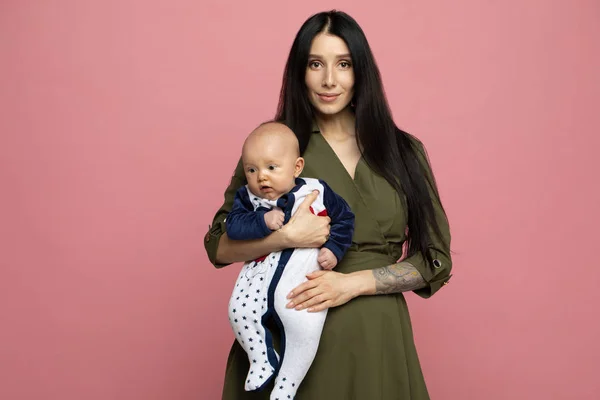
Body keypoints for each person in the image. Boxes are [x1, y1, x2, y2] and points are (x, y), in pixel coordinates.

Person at [204, 10, 453, 400]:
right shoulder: (275, 150)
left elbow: (435, 260)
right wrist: (284, 238)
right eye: (315, 64)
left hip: (377, 339)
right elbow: (216, 245)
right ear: (300, 72)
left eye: (344, 64)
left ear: (361, 71)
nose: (329, 80)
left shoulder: (404, 151)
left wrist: (351, 284)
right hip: (288, 337)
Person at [225, 122, 354, 399]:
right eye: (252, 170)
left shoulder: (316, 191)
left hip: (301, 275)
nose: (262, 178)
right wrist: (262, 220)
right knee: (238, 311)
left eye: (272, 168)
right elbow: (233, 226)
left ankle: (286, 385)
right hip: (259, 272)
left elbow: (345, 219)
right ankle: (262, 360)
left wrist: (334, 248)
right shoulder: (248, 198)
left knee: (303, 328)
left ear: (296, 167)